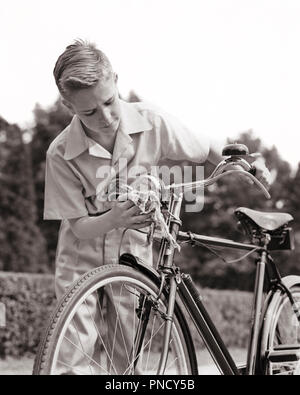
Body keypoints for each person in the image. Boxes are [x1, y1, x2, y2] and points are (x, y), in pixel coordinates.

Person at [44, 39, 270, 374]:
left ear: (116, 81)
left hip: (132, 257)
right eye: (89, 112)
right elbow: (78, 225)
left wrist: (247, 162)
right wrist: (113, 217)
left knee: (126, 354)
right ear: (68, 106)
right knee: (73, 353)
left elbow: (208, 147)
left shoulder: (152, 121)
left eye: (109, 102)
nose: (105, 117)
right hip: (81, 257)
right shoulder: (60, 153)